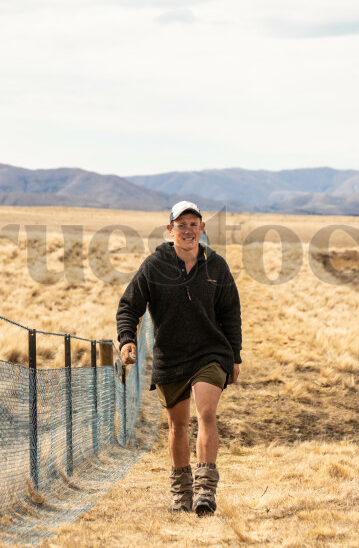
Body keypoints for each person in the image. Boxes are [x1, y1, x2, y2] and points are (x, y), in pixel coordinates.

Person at [116, 200, 242, 516]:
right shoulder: (154, 266)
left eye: (193, 223)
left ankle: (204, 492)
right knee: (178, 425)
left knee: (208, 413)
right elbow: (129, 305)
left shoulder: (217, 266)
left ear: (202, 229)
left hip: (210, 351)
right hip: (171, 354)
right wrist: (127, 340)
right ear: (170, 229)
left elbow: (230, 313)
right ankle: (181, 495)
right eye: (181, 224)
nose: (188, 229)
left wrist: (235, 355)